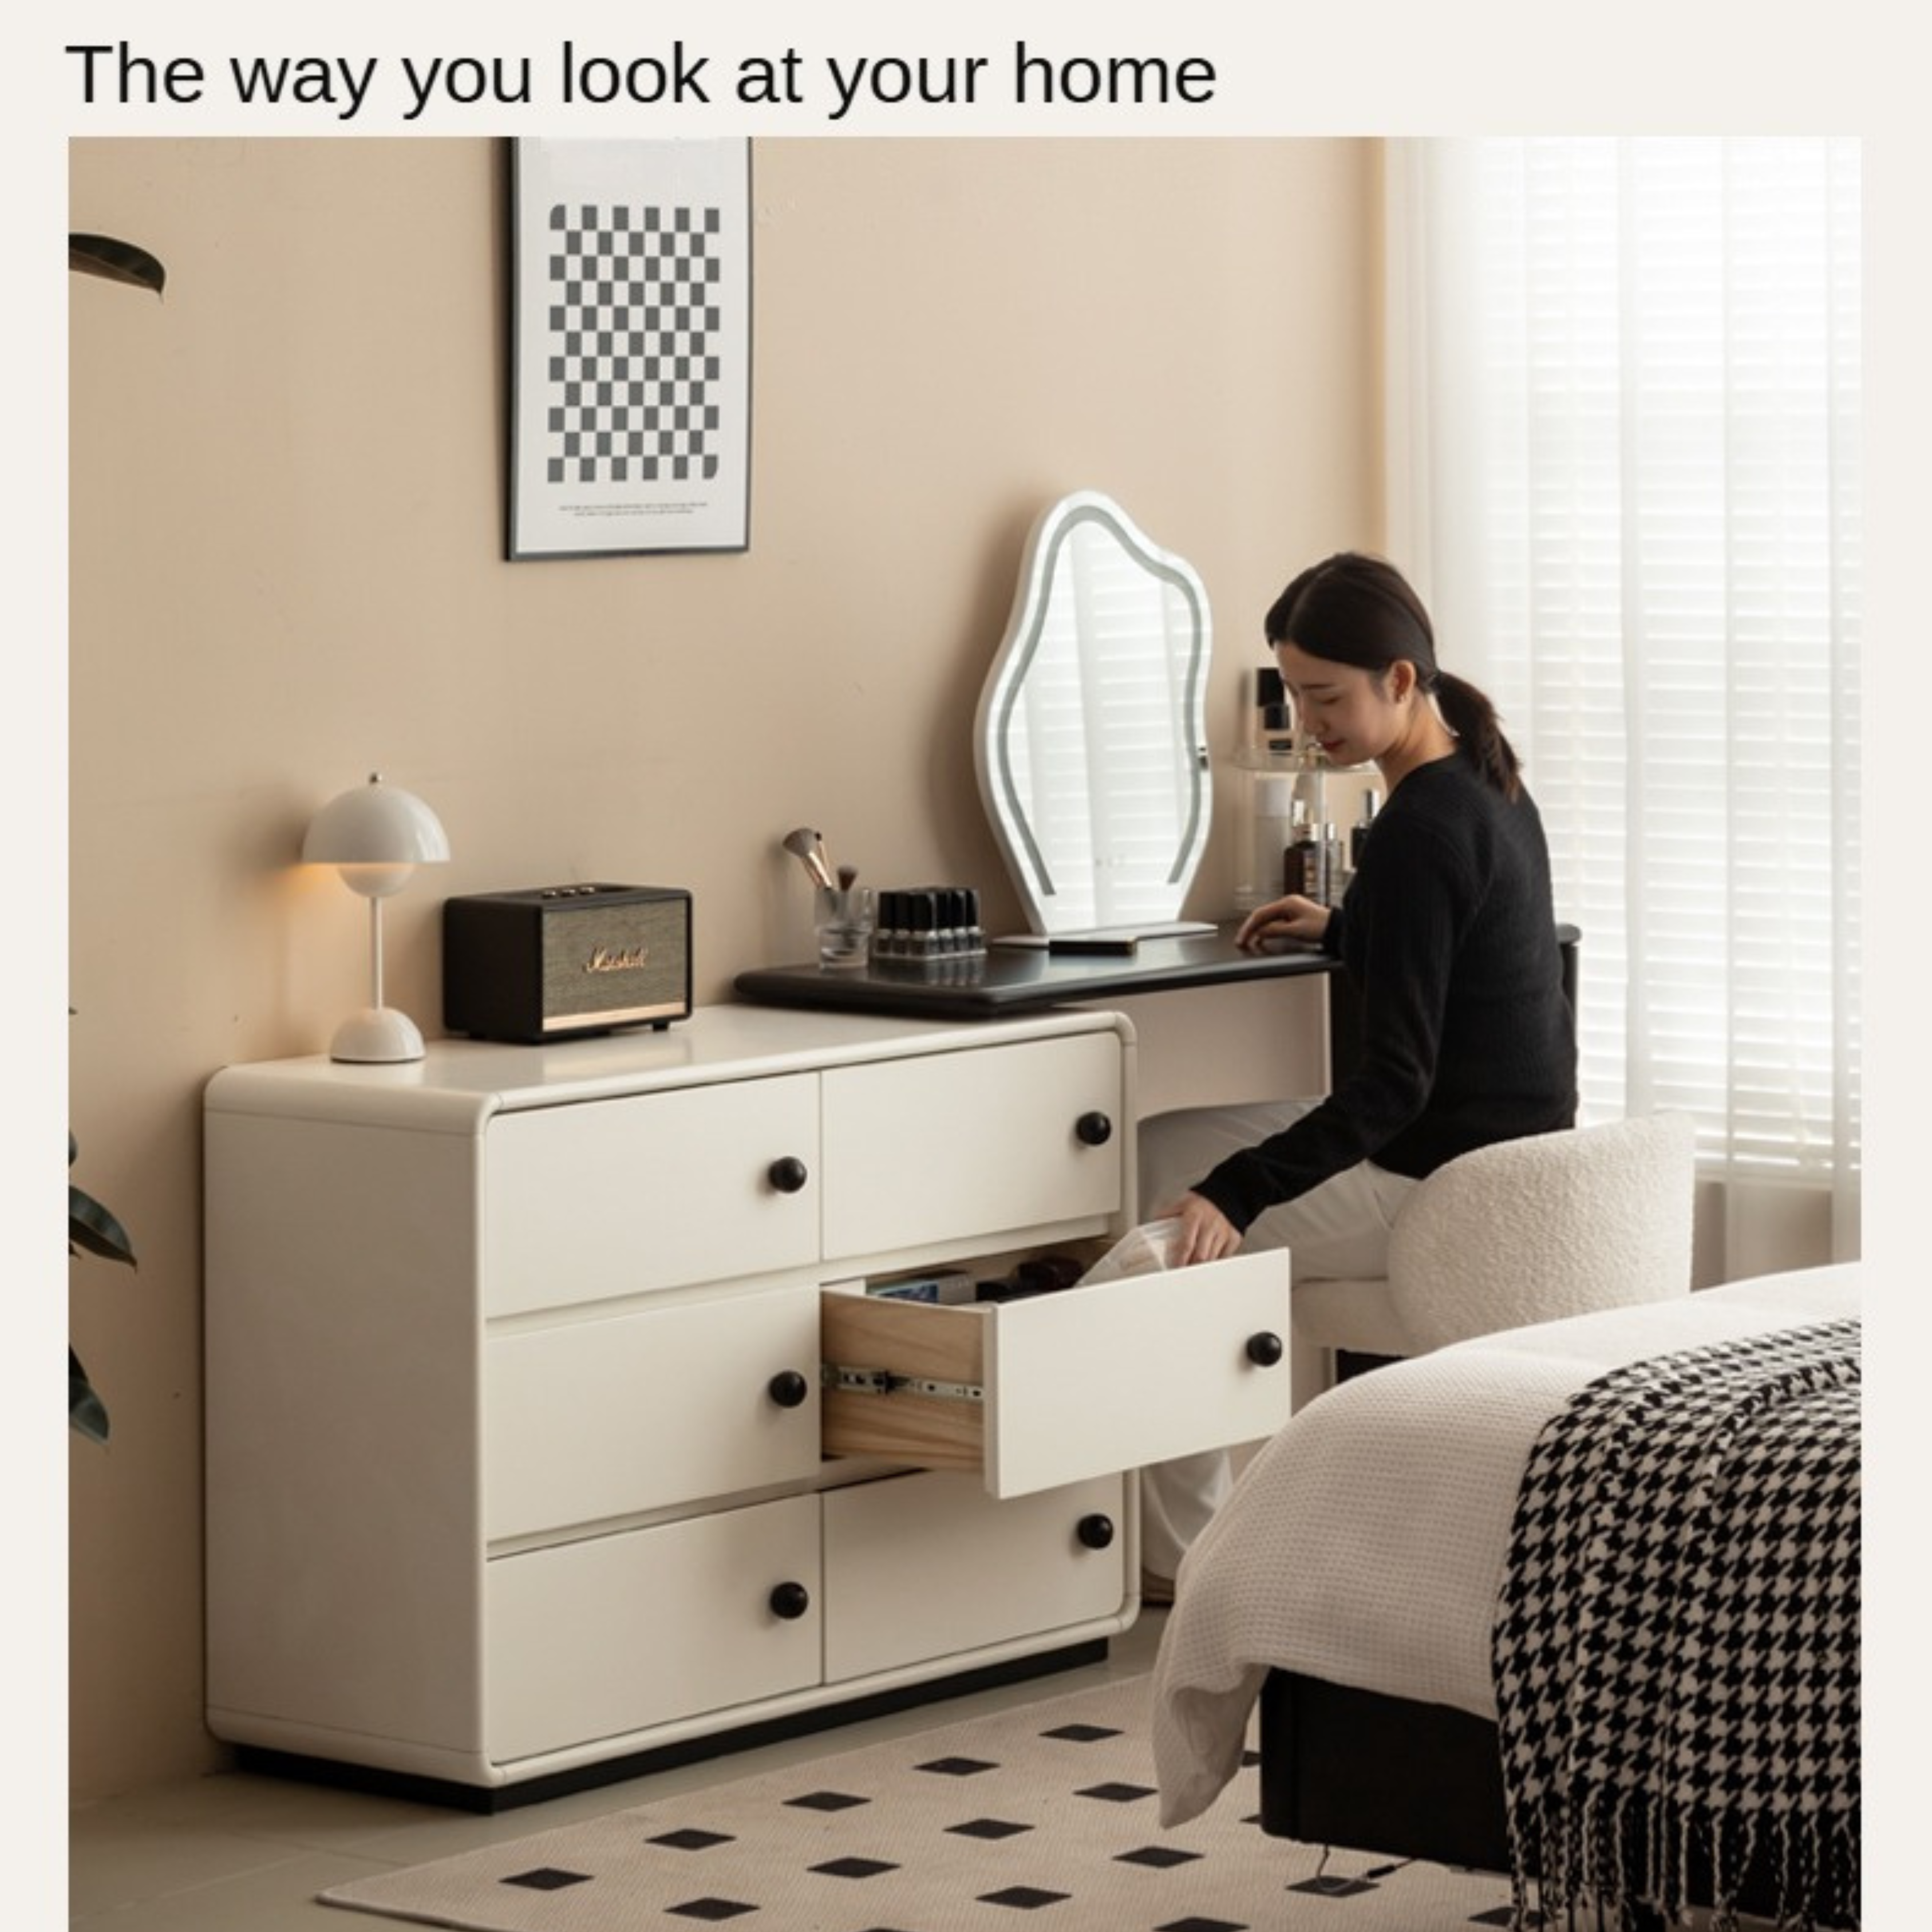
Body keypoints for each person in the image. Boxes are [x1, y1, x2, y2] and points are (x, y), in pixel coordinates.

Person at [1139, 552, 1578, 1600]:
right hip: (1512, 1162)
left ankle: (1190, 1561)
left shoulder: (1418, 829)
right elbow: (1470, 954)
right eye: (1291, 691)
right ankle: (1193, 1539)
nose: (1306, 718)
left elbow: (1390, 1089)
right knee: (1179, 1157)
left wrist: (1236, 1192)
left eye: (1325, 695)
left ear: (1397, 679)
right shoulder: (1483, 779)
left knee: (1168, 1197)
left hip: (1439, 1179)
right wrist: (1351, 926)